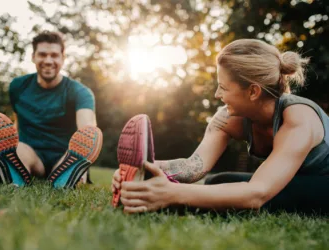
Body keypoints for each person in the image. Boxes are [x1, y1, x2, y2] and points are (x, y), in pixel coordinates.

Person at [111, 39, 329, 214]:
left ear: (253, 91)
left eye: (223, 87)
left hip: (324, 184)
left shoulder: (298, 120)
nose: (217, 95)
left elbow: (257, 192)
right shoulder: (228, 119)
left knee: (252, 197)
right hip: (294, 182)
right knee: (218, 182)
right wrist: (143, 170)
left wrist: (171, 194)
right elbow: (193, 167)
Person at [0, 31, 103, 188]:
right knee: (18, 151)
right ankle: (12, 171)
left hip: (64, 155)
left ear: (62, 58)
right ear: (33, 57)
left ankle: (73, 172)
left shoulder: (80, 92)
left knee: (71, 159)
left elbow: (87, 130)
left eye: (54, 55)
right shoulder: (18, 86)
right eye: (42, 54)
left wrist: (85, 161)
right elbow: (19, 119)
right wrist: (10, 142)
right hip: (31, 153)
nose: (48, 60)